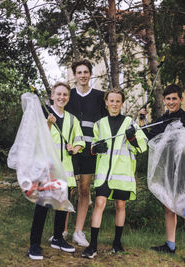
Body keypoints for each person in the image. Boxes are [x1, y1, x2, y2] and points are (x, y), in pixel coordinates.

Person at [81, 88, 148, 259]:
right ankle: (93, 246)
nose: (114, 104)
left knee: (120, 206)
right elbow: (93, 147)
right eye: (111, 100)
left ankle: (117, 244)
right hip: (104, 173)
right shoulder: (99, 124)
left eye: (118, 101)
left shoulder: (129, 123)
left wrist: (132, 138)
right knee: (99, 203)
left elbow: (141, 147)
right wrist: (95, 149)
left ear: (122, 103)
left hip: (122, 173)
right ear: (106, 102)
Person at [137, 84, 185, 265]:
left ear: (180, 99)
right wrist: (142, 122)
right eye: (168, 99)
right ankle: (170, 245)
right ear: (164, 101)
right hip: (168, 170)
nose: (171, 102)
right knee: (169, 207)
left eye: (174, 98)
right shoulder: (161, 120)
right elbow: (149, 139)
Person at [28, 82, 85, 260]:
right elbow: (35, 138)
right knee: (43, 206)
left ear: (68, 97)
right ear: (52, 95)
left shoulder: (72, 119)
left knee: (61, 206)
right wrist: (49, 124)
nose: (61, 97)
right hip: (48, 169)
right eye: (58, 94)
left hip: (65, 170)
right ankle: (34, 244)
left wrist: (74, 148)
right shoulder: (44, 114)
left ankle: (58, 238)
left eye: (65, 95)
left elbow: (80, 139)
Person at [62, 59, 108, 247]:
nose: (82, 75)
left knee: (84, 189)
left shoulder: (100, 97)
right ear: (74, 75)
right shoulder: (68, 96)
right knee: (67, 190)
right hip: (71, 151)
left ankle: (78, 232)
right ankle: (62, 230)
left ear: (91, 74)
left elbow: (106, 123)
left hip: (90, 151)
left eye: (85, 72)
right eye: (79, 72)